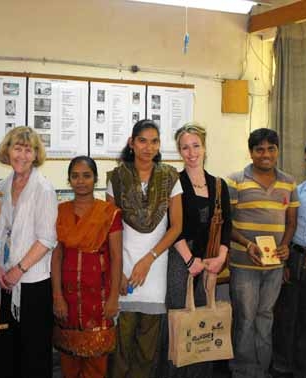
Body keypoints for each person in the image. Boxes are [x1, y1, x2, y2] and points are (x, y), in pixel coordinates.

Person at [107, 119, 183, 378]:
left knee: (147, 350)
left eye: (154, 141)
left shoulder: (171, 177)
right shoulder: (116, 178)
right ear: (132, 143)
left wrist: (149, 259)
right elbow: (112, 230)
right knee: (120, 346)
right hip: (124, 271)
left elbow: (176, 227)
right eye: (142, 141)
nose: (148, 147)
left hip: (155, 269)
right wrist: (118, 273)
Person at [227, 128, 299, 378]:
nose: (265, 154)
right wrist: (248, 245)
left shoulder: (289, 182)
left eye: (271, 149)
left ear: (277, 151)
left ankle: (262, 370)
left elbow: (291, 223)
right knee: (246, 318)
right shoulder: (235, 181)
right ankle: (243, 371)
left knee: (265, 317)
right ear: (251, 152)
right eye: (259, 149)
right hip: (244, 264)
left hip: (275, 266)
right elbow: (228, 224)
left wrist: (286, 245)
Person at [166, 123, 232, 377]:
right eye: (185, 147)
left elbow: (227, 223)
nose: (191, 152)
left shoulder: (219, 185)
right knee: (182, 319)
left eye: (196, 146)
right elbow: (172, 226)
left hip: (211, 260)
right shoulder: (174, 183)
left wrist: (220, 259)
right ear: (179, 151)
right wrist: (189, 260)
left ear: (204, 148)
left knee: (205, 323)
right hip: (182, 259)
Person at [0, 126, 58, 378]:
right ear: (8, 151)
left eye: (27, 149)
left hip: (32, 283)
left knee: (34, 354)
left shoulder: (43, 189)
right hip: (4, 281)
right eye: (16, 148)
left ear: (35, 155)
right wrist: (0, 268)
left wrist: (18, 270)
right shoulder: (0, 186)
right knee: (6, 351)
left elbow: (47, 239)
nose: (21, 154)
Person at [51, 156, 122, 378]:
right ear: (69, 180)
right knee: (69, 362)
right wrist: (57, 297)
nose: (81, 181)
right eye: (75, 176)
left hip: (99, 297)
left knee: (96, 364)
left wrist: (112, 299)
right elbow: (56, 257)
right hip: (68, 298)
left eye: (86, 176)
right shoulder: (59, 212)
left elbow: (117, 258)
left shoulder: (109, 213)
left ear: (95, 179)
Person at [272, 140, 306, 378]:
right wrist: (284, 261)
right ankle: (283, 366)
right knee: (286, 315)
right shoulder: (299, 190)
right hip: (294, 257)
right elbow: (289, 225)